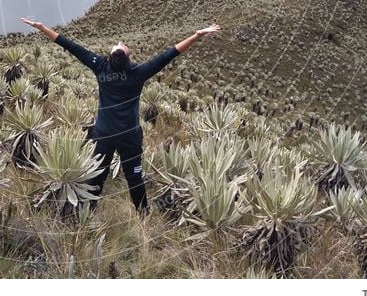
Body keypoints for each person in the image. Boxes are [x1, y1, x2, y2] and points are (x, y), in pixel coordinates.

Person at [20, 17, 221, 213]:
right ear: (129, 58)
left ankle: (88, 211)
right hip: (129, 136)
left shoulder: (100, 66)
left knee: (98, 174)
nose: (119, 43)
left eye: (118, 45)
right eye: (121, 45)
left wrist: (43, 28)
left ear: (109, 57)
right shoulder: (138, 72)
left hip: (104, 134)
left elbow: (70, 46)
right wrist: (196, 35)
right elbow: (170, 54)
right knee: (134, 177)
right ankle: (143, 212)